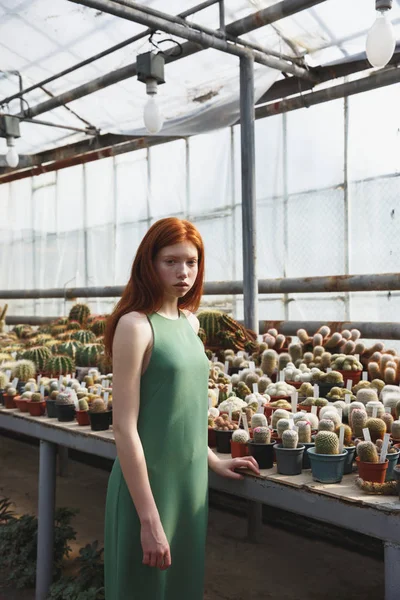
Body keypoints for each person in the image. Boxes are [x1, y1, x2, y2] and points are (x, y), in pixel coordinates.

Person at [103, 217, 260, 600]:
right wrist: (149, 519)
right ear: (149, 263)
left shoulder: (190, 323)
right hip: (148, 487)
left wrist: (212, 459)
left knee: (182, 587)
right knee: (144, 589)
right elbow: (124, 428)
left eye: (191, 262)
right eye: (170, 261)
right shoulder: (136, 326)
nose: (183, 272)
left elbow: (183, 409)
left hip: (190, 486)